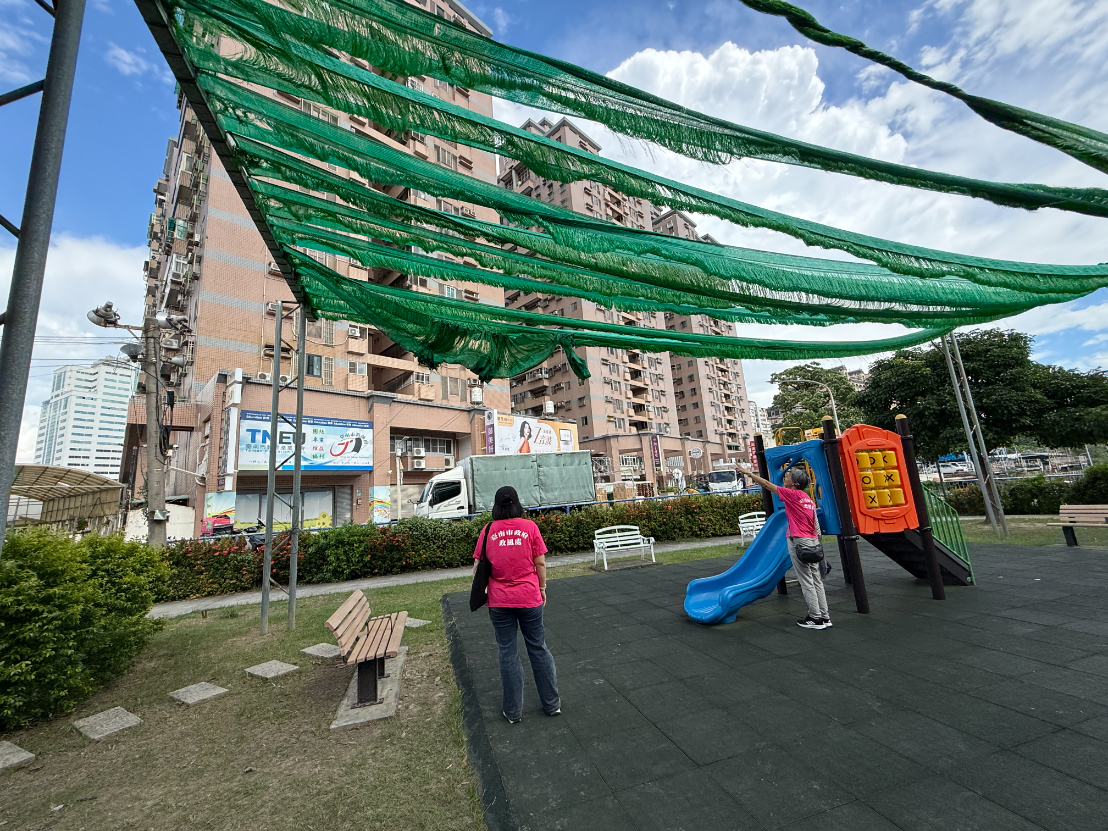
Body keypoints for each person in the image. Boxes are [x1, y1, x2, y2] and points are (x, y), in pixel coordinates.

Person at [473, 486, 560, 722]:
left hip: (499, 601)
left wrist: (485, 588)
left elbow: (477, 568)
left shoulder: (488, 530)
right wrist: (542, 589)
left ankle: (513, 712)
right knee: (538, 648)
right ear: (517, 504)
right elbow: (540, 564)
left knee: (507, 652)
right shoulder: (530, 527)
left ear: (496, 505)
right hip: (529, 597)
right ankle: (552, 705)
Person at [738, 464, 832, 630]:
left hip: (799, 541)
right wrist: (818, 541)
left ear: (794, 483)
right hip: (812, 541)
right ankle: (824, 616)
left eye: (788, 476)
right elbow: (815, 522)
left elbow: (767, 485)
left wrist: (748, 474)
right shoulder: (807, 498)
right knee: (816, 579)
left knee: (806, 580)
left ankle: (815, 617)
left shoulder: (792, 495)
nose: (785, 478)